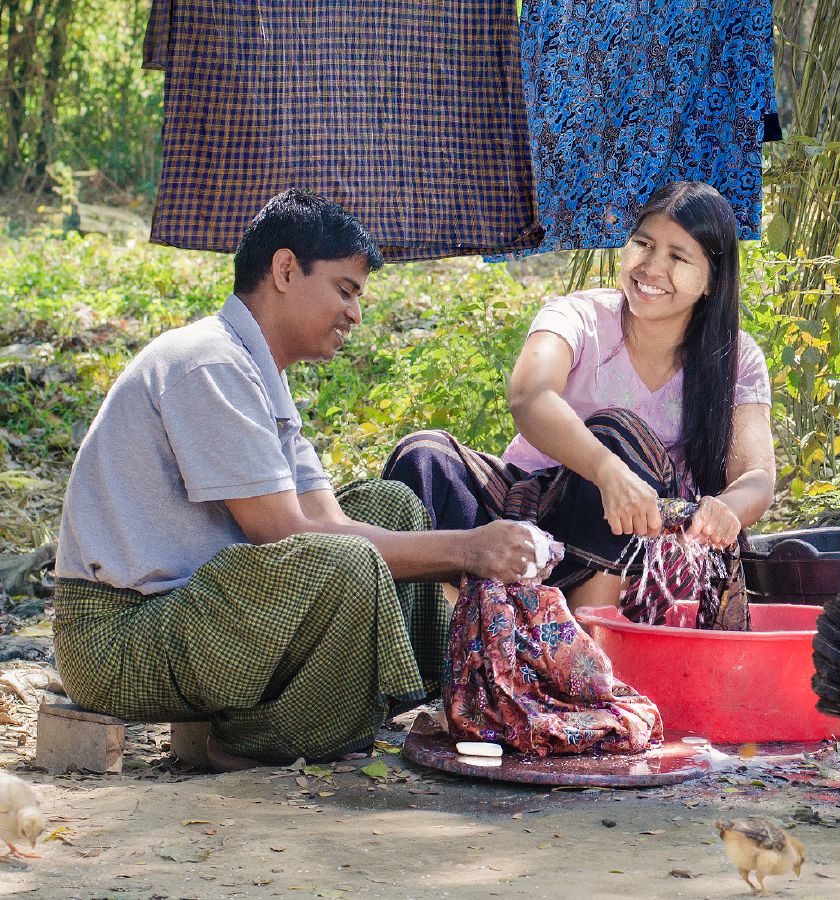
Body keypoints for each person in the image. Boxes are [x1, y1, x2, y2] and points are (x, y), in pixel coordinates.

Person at [53, 190, 541, 769]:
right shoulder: (208, 361)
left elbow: (327, 522)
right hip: (116, 637)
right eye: (345, 290)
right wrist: (470, 549)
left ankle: (399, 699)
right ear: (285, 270)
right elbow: (286, 535)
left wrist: (470, 553)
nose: (355, 314)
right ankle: (258, 742)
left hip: (187, 613)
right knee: (346, 562)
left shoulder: (261, 374)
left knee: (393, 507)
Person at [383, 181, 776, 621]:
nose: (651, 267)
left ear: (711, 281)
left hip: (646, 544)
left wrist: (726, 510)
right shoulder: (578, 316)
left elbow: (756, 476)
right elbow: (530, 396)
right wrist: (606, 472)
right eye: (642, 245)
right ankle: (448, 638)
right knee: (423, 458)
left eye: (678, 257)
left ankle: (589, 651)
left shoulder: (736, 357)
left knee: (620, 434)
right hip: (532, 519)